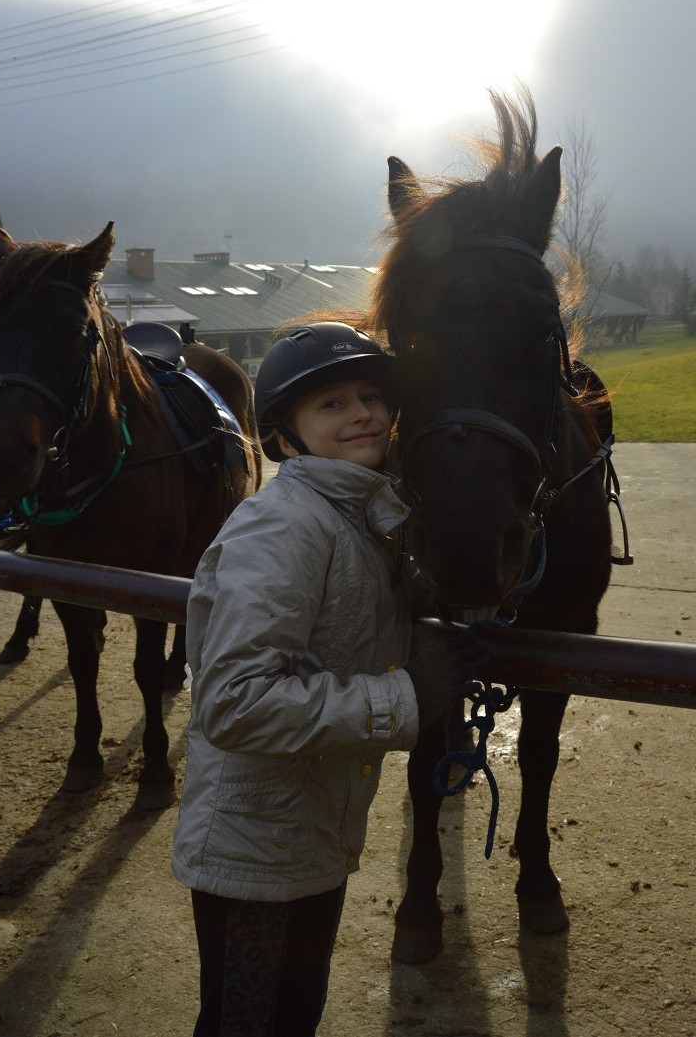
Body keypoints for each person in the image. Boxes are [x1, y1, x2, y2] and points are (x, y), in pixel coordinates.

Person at [171, 321, 486, 1037]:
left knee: (291, 1016)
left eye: (370, 396)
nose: (363, 413)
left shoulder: (363, 520)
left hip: (307, 839)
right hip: (254, 854)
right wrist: (406, 696)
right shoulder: (284, 527)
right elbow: (234, 700)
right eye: (332, 404)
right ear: (285, 437)